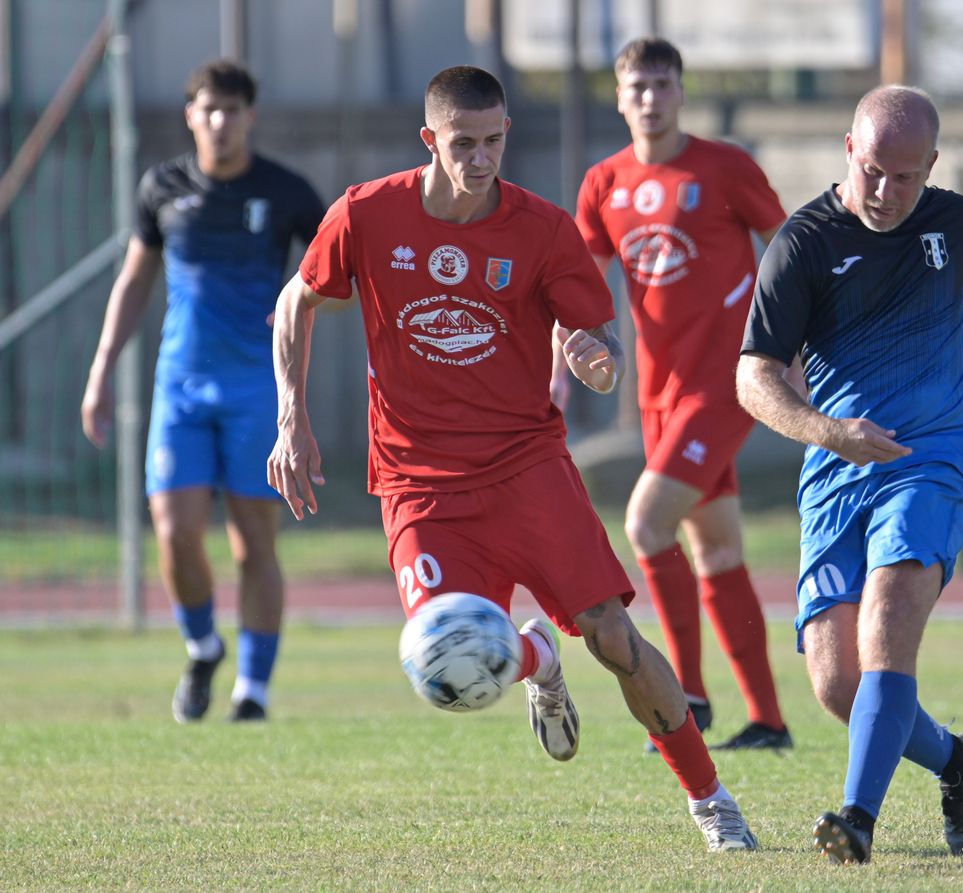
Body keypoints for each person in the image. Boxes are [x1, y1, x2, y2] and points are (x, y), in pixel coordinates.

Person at [267, 64, 759, 853]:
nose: (482, 157)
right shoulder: (367, 214)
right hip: (419, 484)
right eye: (463, 142)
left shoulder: (542, 229)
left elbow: (595, 338)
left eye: (495, 139)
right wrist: (291, 416)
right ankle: (535, 659)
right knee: (442, 656)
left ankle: (712, 801)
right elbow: (297, 299)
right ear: (429, 139)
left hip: (527, 468)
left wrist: (596, 358)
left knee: (614, 637)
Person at [736, 85, 963, 864]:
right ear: (848, 149)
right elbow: (754, 377)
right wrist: (827, 430)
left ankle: (857, 817)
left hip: (933, 458)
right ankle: (957, 761)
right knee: (840, 685)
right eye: (873, 170)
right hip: (839, 467)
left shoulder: (952, 220)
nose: (885, 190)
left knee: (889, 617)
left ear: (931, 167)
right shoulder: (801, 245)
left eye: (905, 176)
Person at [81, 60, 325, 723]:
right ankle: (202, 645)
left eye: (232, 109)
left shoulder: (287, 191)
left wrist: (300, 304)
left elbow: (335, 277)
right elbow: (134, 281)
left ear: (251, 116)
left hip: (256, 391)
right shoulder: (162, 187)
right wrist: (103, 368)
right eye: (208, 109)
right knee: (175, 531)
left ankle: (254, 691)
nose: (220, 121)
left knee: (254, 543)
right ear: (191, 115)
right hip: (180, 388)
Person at [571, 37, 791, 753]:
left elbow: (786, 248)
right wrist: (562, 360)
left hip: (727, 383)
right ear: (619, 96)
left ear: (681, 92)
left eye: (662, 84)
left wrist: (790, 346)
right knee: (718, 548)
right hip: (658, 395)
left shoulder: (725, 168)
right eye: (637, 86)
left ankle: (688, 697)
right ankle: (768, 720)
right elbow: (576, 287)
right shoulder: (603, 182)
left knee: (644, 524)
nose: (650, 98)